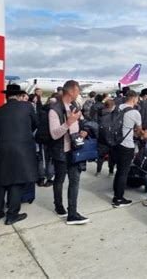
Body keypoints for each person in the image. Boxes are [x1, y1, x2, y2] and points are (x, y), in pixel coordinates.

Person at [0, 84, 38, 225]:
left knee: (1, 181)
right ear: (19, 96)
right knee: (16, 181)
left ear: (6, 96)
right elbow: (36, 123)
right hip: (22, 148)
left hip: (2, 148)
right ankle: (12, 215)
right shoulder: (27, 107)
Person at [49, 80, 90, 225]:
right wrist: (69, 122)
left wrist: (82, 133)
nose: (79, 93)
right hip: (61, 151)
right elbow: (54, 134)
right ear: (71, 91)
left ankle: (72, 213)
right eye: (78, 91)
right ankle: (58, 206)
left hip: (75, 151)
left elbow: (76, 127)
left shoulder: (75, 106)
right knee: (59, 180)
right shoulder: (54, 109)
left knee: (75, 181)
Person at [111, 90, 147, 208]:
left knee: (118, 170)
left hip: (115, 143)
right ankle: (118, 199)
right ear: (134, 99)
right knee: (123, 172)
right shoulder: (135, 112)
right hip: (126, 145)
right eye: (137, 99)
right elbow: (139, 132)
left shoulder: (117, 107)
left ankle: (116, 194)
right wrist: (143, 134)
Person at [96, 98, 116, 176]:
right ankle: (110, 172)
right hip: (111, 140)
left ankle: (98, 171)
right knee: (111, 157)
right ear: (112, 106)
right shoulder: (113, 116)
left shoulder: (100, 114)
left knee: (100, 157)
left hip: (101, 139)